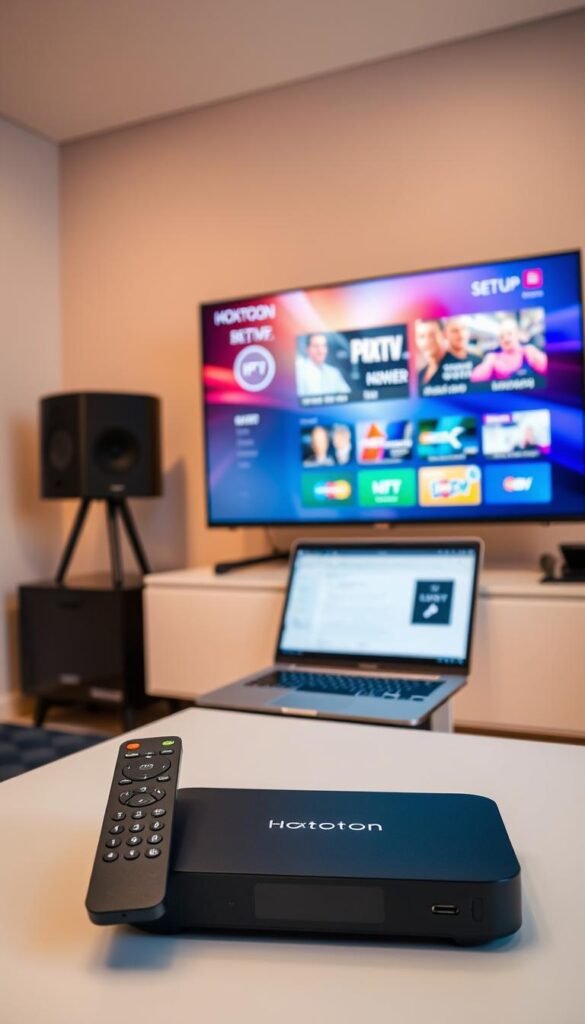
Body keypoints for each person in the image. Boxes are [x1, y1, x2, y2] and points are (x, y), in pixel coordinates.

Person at [470, 316, 548, 383]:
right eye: (502, 336)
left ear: (517, 334)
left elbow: (549, 370)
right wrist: (488, 363)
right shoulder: (493, 357)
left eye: (509, 334)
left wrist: (534, 359)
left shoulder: (528, 351)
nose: (506, 339)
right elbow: (475, 380)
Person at [296, 333, 351, 397]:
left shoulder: (333, 372)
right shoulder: (299, 372)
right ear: (307, 349)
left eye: (323, 346)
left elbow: (347, 396)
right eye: (316, 346)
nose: (320, 351)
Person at [415, 320, 446, 387]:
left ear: (443, 335)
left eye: (432, 335)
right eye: (421, 337)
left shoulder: (456, 366)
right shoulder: (419, 375)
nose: (427, 342)